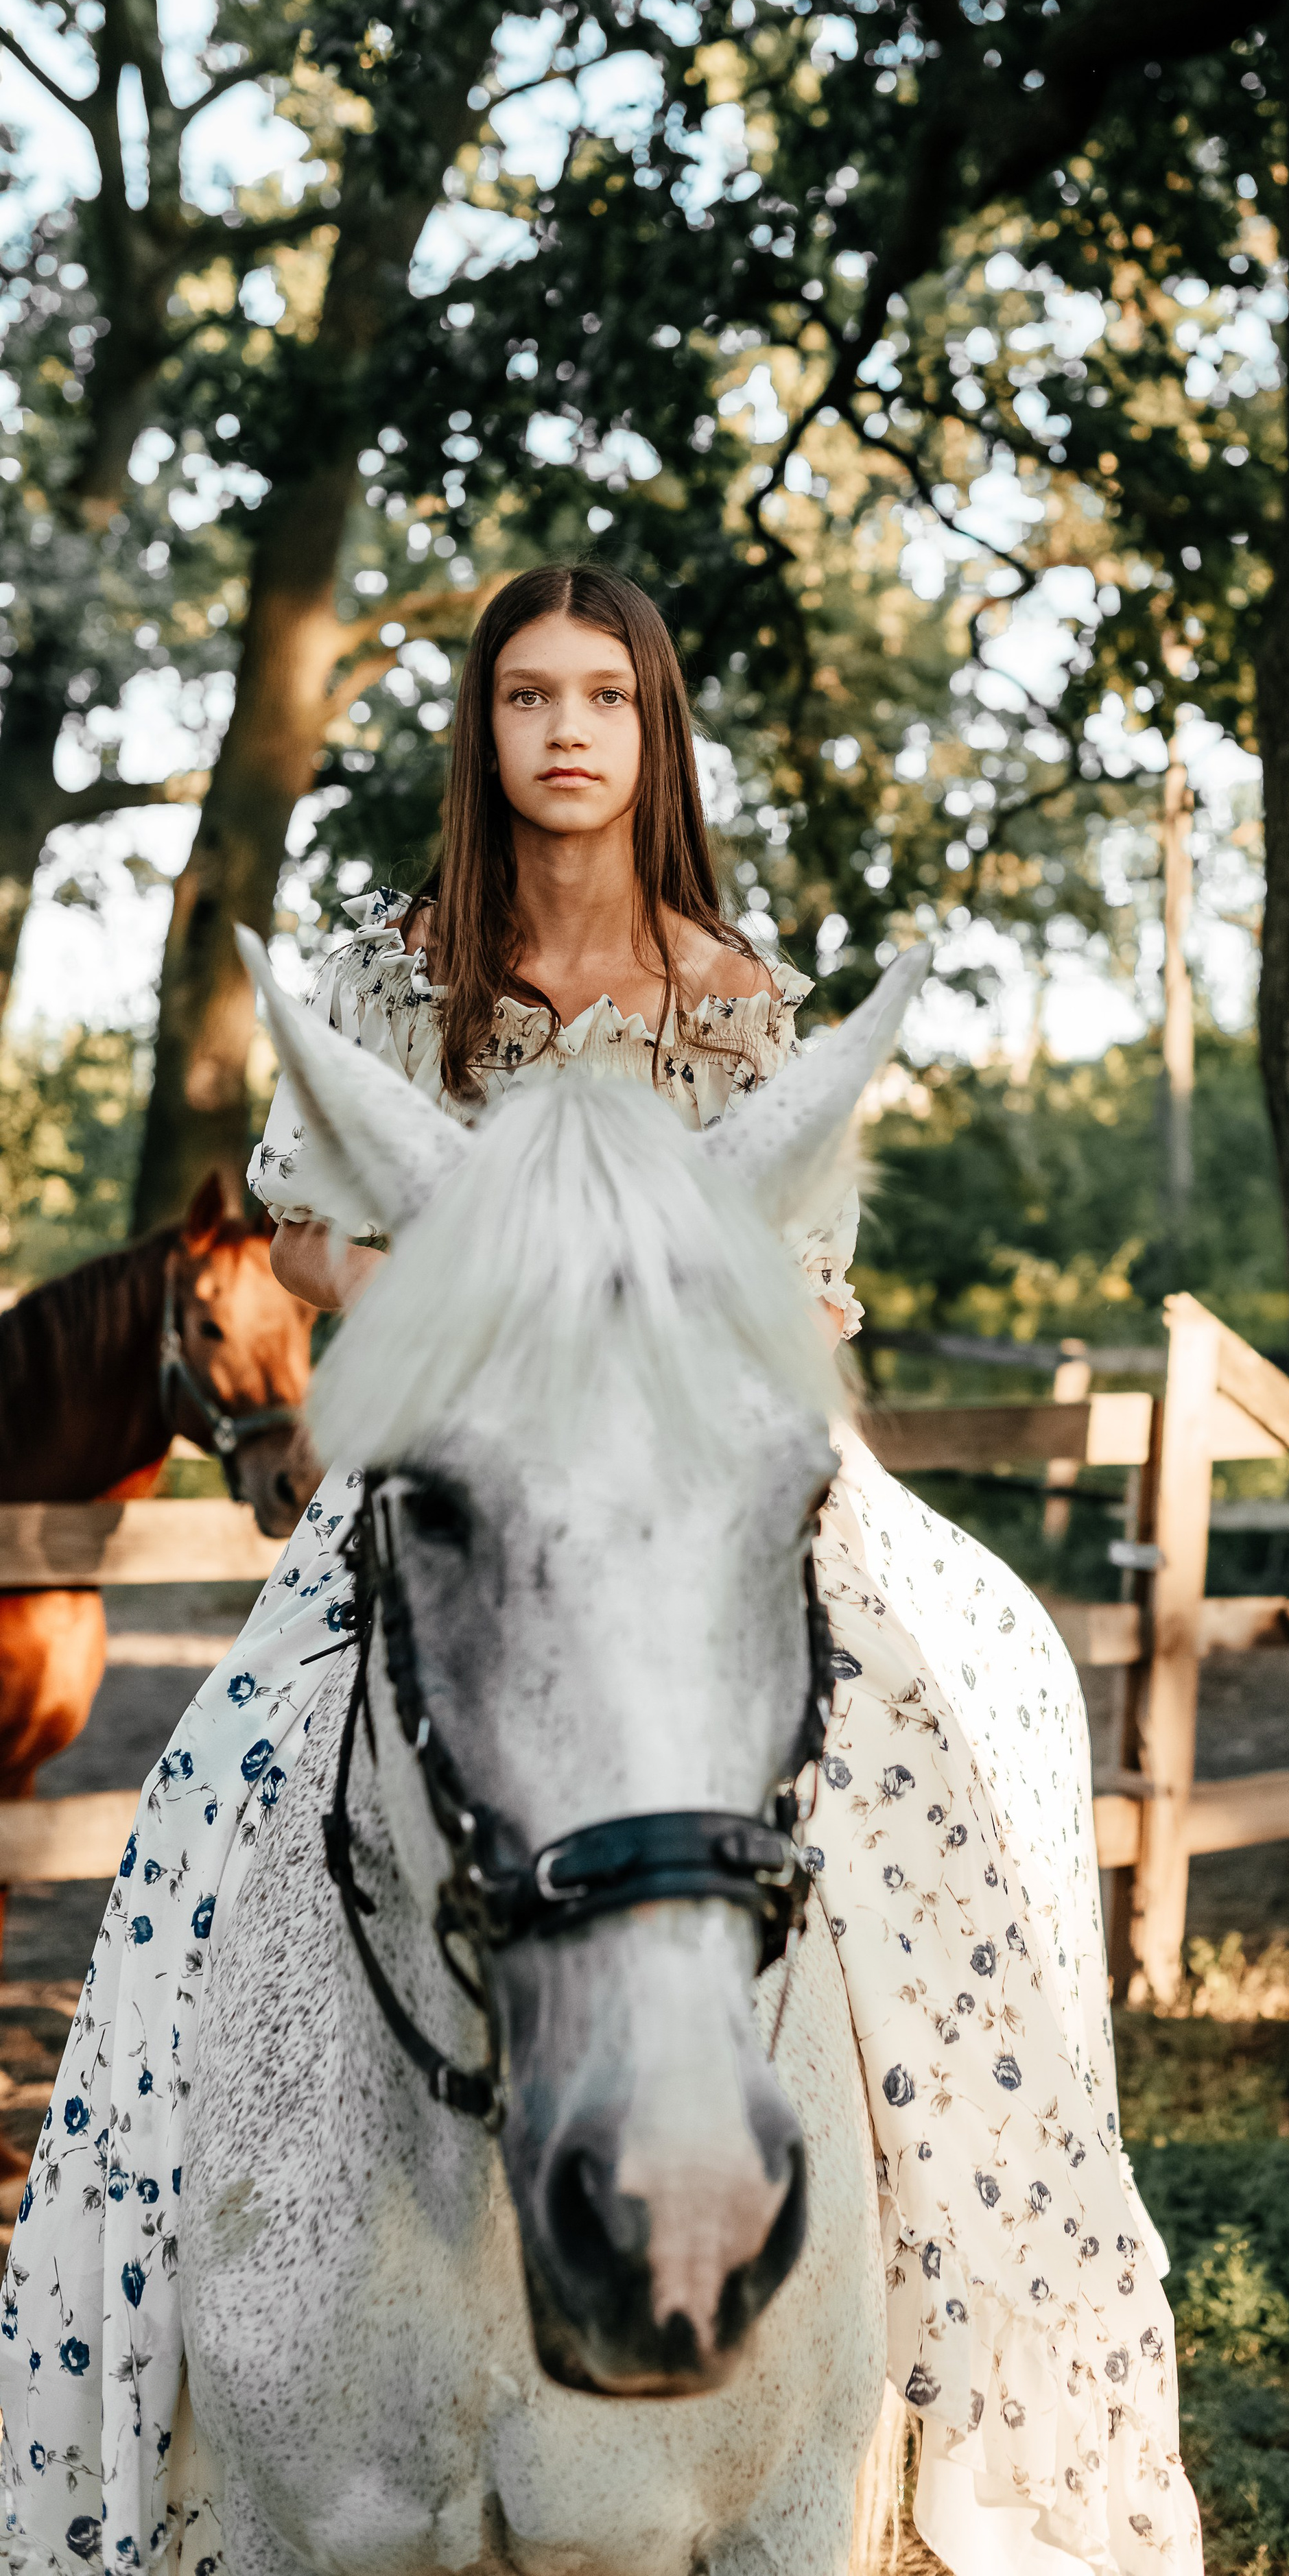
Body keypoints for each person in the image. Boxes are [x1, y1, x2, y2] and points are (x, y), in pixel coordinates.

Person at [0, 565, 1201, 2576]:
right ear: (483, 732)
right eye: (527, 696)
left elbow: (802, 1282)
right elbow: (300, 1229)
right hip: (474, 1449)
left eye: (605, 699)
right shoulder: (394, 977)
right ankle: (138, 2340)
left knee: (953, 1748)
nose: (566, 731)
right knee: (207, 1816)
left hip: (697, 1451)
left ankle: (991, 2329)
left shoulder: (735, 995)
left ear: (655, 734)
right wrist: (422, 1272)